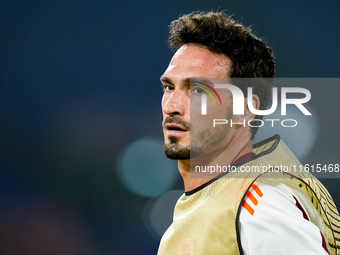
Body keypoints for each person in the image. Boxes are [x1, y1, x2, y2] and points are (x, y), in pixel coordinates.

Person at [158, 11, 340, 255]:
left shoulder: (259, 205)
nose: (171, 106)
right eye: (169, 87)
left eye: (199, 91)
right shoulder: (220, 202)